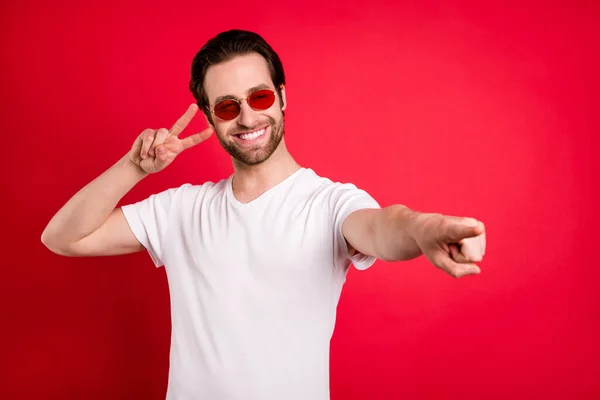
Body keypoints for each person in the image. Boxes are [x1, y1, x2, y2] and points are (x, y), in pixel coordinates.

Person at [41, 29, 486, 400]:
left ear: (281, 97)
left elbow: (384, 226)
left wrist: (427, 230)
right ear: (211, 119)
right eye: (228, 106)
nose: (248, 116)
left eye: (258, 96)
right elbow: (63, 237)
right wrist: (133, 167)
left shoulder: (328, 203)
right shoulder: (180, 209)